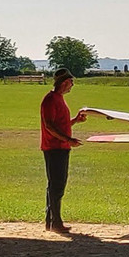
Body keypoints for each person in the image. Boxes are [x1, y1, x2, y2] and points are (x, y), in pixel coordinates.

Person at [39, 68, 87, 234]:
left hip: (61, 147)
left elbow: (61, 125)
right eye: (71, 82)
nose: (72, 85)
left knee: (55, 185)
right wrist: (68, 140)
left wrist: (75, 121)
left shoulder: (59, 99)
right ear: (64, 82)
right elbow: (49, 126)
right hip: (54, 148)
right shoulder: (50, 100)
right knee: (57, 185)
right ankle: (55, 223)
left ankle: (52, 222)